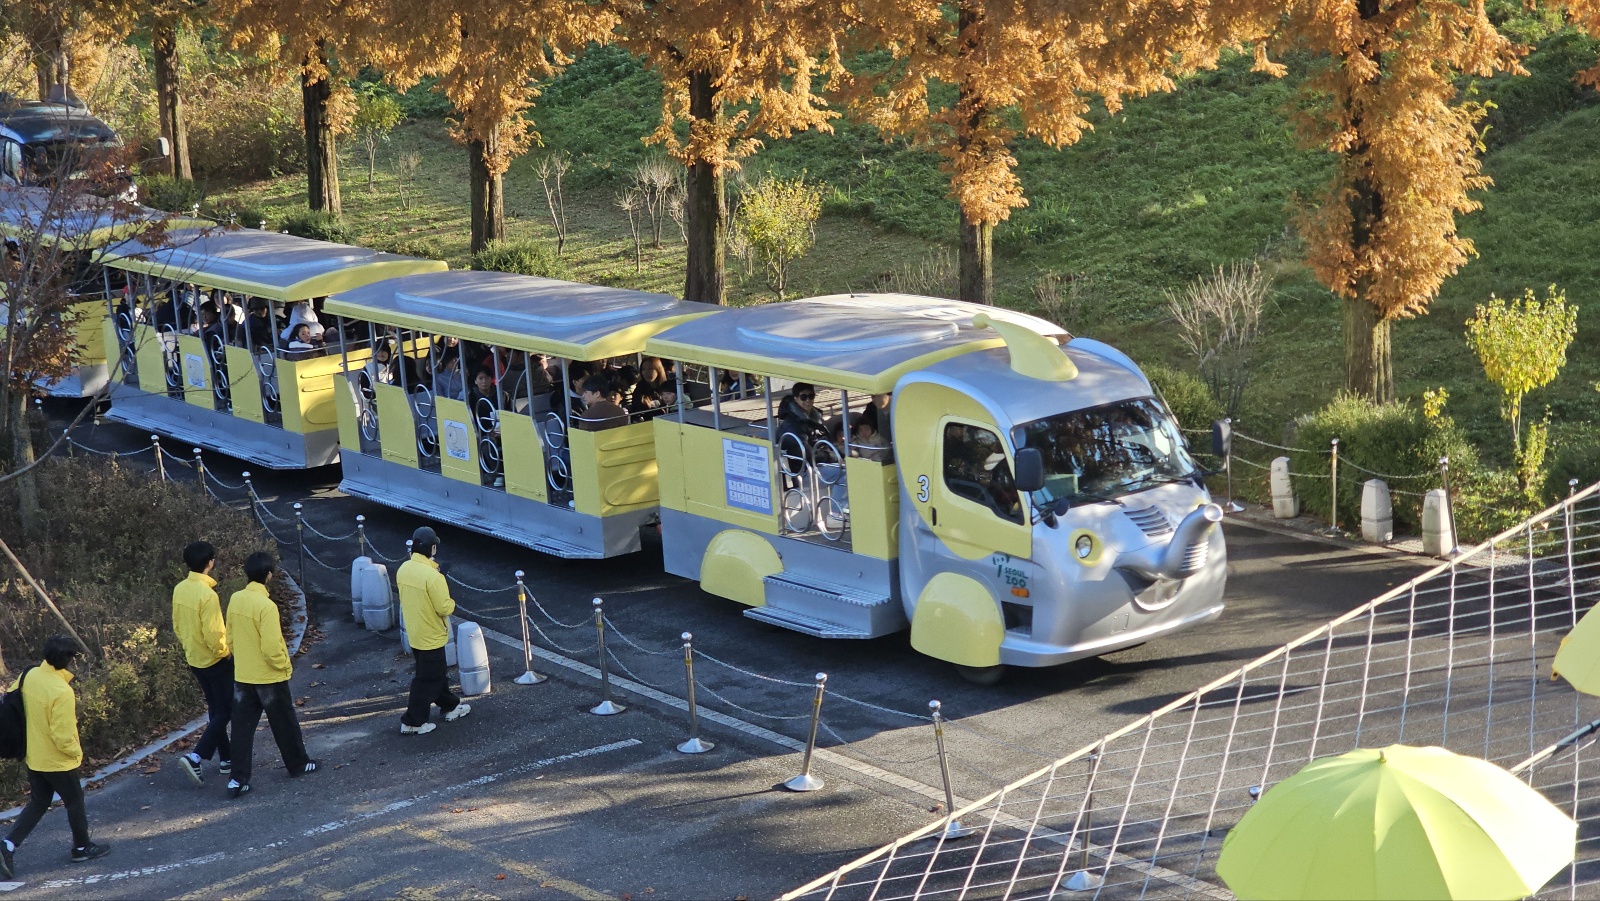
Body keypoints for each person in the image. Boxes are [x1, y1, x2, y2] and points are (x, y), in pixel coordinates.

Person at [1, 636, 109, 878]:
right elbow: (62, 735)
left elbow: (11, 698)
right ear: (68, 660)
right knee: (74, 800)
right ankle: (82, 847)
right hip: (57, 760)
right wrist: (76, 753)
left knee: (39, 802)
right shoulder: (62, 691)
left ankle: (7, 845)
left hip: (32, 755)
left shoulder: (29, 675)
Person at [226, 552, 318, 798]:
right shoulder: (266, 606)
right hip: (269, 677)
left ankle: (238, 779)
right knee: (284, 723)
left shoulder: (236, 599)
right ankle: (298, 764)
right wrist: (284, 665)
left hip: (244, 674)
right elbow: (271, 647)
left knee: (242, 730)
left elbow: (230, 637)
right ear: (268, 575)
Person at [397, 527, 469, 735]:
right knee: (428, 680)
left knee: (435, 675)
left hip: (415, 632)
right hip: (432, 634)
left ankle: (450, 706)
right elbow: (444, 607)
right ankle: (413, 721)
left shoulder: (404, 569)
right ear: (432, 548)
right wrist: (450, 597)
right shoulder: (433, 577)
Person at [172, 542, 232, 787]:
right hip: (214, 659)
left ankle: (226, 758)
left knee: (214, 708)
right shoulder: (207, 595)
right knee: (226, 710)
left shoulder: (180, 589)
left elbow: (177, 625)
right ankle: (197, 756)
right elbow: (214, 633)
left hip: (194, 658)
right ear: (210, 562)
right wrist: (225, 653)